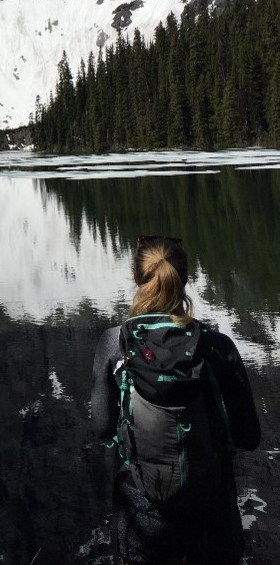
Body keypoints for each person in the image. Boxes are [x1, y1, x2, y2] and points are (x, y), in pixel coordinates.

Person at [91, 235, 261, 565]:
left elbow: (101, 428)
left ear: (136, 277)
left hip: (142, 504)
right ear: (184, 278)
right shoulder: (217, 346)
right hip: (210, 502)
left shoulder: (114, 343)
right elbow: (249, 438)